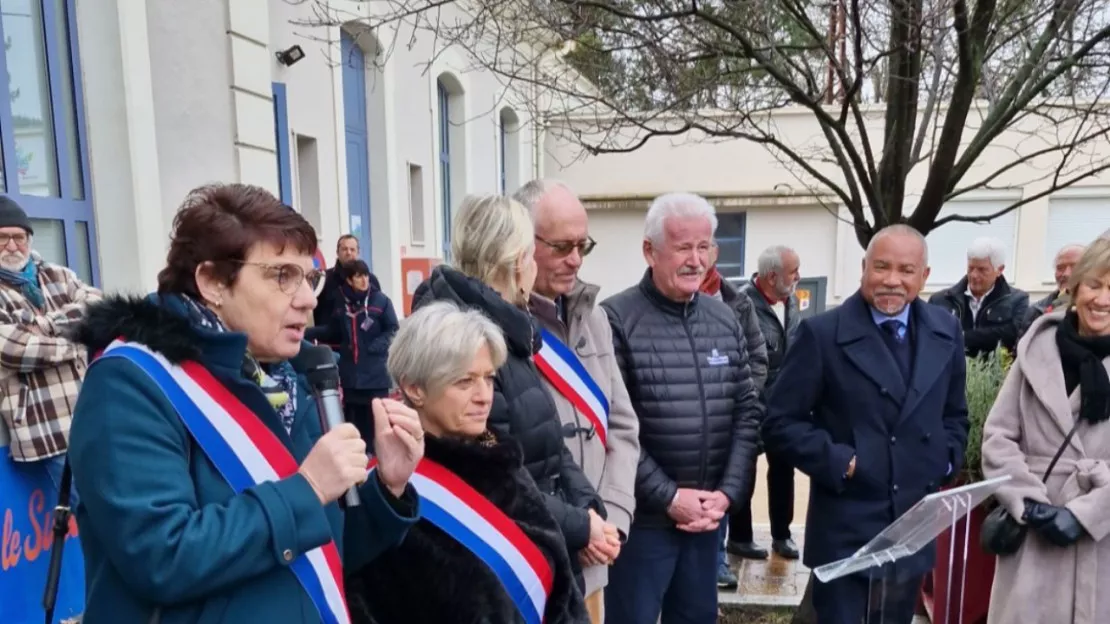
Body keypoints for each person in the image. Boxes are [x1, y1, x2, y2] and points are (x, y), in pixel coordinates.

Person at [68, 183, 422, 623]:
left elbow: (323, 550)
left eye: (309, 277)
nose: (309, 299)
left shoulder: (285, 380)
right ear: (213, 281)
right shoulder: (129, 383)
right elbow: (161, 557)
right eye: (281, 276)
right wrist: (307, 489)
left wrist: (386, 489)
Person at [763, 224, 969, 624]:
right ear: (863, 268)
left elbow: (954, 415)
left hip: (911, 526)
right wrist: (843, 461)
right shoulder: (822, 335)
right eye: (882, 267)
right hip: (847, 528)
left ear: (924, 276)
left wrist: (945, 460)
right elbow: (779, 423)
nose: (892, 280)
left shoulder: (946, 331)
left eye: (906, 270)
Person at [412, 194, 619, 590]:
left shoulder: (509, 331)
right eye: (530, 254)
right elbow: (492, 476)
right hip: (504, 564)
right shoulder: (467, 344)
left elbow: (551, 446)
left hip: (542, 542)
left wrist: (589, 510)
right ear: (513, 263)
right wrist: (581, 526)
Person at [348, 300, 589, 623]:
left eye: (488, 378)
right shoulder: (386, 495)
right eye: (464, 381)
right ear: (413, 387)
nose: (484, 395)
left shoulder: (500, 459)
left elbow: (559, 579)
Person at [601, 192, 762, 624]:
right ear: (650, 251)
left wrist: (727, 494)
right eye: (683, 247)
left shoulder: (725, 318)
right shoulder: (613, 320)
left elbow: (747, 413)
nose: (696, 259)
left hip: (707, 524)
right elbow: (612, 426)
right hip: (642, 527)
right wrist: (669, 497)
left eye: (705, 246)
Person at [514, 179, 641, 622]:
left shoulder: (595, 318)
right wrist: (576, 528)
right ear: (522, 244)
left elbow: (623, 428)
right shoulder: (495, 328)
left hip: (596, 556)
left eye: (583, 244)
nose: (576, 260)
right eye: (562, 246)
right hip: (534, 558)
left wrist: (612, 520)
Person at [981, 237, 1110, 623]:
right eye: (1095, 285)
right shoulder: (1035, 349)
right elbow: (998, 436)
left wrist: (1086, 514)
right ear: (1074, 286)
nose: (1103, 300)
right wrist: (1027, 501)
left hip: (1101, 539)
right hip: (1033, 538)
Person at [0, 196, 101, 503]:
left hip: (92, 416)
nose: (12, 246)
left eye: (19, 237)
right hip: (48, 429)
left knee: (119, 509)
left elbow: (98, 306)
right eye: (2, 238)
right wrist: (76, 340)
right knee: (90, 513)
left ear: (29, 240)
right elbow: (15, 349)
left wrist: (44, 325)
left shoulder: (57, 274)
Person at [307, 258, 400, 442]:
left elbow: (393, 329)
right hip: (352, 377)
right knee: (355, 427)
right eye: (358, 276)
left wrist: (374, 347)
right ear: (349, 280)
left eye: (365, 275)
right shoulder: (340, 302)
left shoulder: (381, 301)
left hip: (375, 376)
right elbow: (332, 330)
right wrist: (305, 331)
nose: (364, 280)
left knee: (377, 425)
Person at [928, 236, 1029, 357]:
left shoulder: (1018, 300)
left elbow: (1013, 335)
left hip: (997, 373)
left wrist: (962, 337)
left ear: (999, 270)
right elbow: (931, 339)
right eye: (971, 268)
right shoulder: (941, 301)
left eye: (982, 270)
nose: (974, 275)